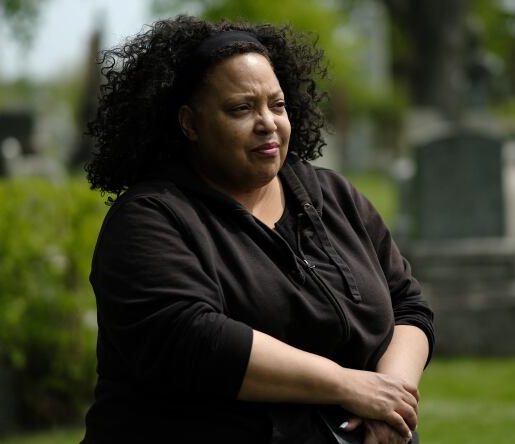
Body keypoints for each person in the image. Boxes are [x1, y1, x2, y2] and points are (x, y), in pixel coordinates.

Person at [82, 15, 434, 444]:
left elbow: (408, 305)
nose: (267, 122)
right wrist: (348, 385)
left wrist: (390, 400)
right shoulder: (150, 219)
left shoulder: (334, 196)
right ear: (189, 123)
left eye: (277, 104)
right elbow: (194, 340)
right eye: (241, 109)